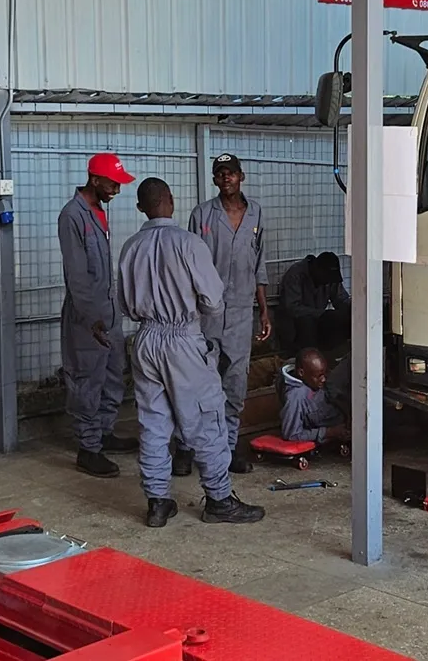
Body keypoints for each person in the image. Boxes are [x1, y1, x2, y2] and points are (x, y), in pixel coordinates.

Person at [117, 177, 265, 528]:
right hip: (182, 338)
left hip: (146, 339)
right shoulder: (189, 243)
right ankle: (219, 499)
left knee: (153, 423)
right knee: (207, 417)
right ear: (171, 199)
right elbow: (214, 300)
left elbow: (124, 303)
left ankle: (157, 502)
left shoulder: (130, 247)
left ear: (141, 208)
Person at [179, 152, 271, 477]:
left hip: (242, 313)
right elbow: (189, 267)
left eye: (231, 173)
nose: (225, 179)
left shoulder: (256, 214)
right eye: (220, 174)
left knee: (234, 384)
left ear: (241, 176)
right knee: (198, 382)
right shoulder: (202, 214)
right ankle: (186, 448)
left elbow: (260, 265)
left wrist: (264, 310)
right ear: (215, 179)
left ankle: (227, 449)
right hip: (206, 314)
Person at [57, 152, 139, 478]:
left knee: (113, 375)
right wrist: (92, 319)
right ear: (95, 179)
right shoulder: (72, 216)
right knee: (87, 380)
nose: (116, 190)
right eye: (112, 184)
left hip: (108, 309)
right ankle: (88, 449)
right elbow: (76, 275)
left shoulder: (98, 211)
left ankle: (104, 433)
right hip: (87, 317)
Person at [275, 252, 350, 358]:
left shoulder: (330, 278)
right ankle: (307, 359)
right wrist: (323, 314)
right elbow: (292, 308)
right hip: (293, 326)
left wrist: (353, 310)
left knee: (341, 317)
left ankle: (336, 357)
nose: (327, 283)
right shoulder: (295, 274)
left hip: (317, 321)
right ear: (317, 270)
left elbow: (341, 299)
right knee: (306, 322)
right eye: (326, 280)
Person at [279, 347, 348, 445]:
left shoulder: (310, 376)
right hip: (333, 427)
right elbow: (291, 435)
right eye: (319, 376)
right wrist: (329, 432)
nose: (323, 379)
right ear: (301, 373)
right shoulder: (295, 397)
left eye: (325, 374)